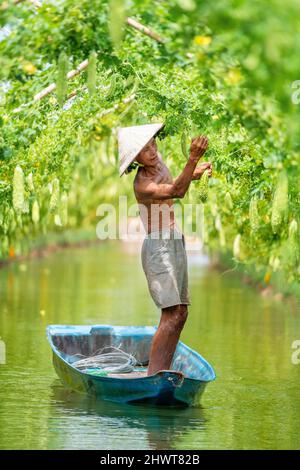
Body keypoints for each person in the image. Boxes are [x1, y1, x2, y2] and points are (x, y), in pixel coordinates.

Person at [118, 123, 212, 375]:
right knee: (170, 314)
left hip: (174, 239)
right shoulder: (142, 183)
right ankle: (153, 376)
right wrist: (192, 157)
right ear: (135, 159)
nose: (151, 150)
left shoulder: (159, 165)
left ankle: (164, 372)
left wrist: (194, 170)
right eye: (144, 149)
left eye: (152, 144)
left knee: (181, 313)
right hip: (158, 246)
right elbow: (176, 191)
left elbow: (176, 181)